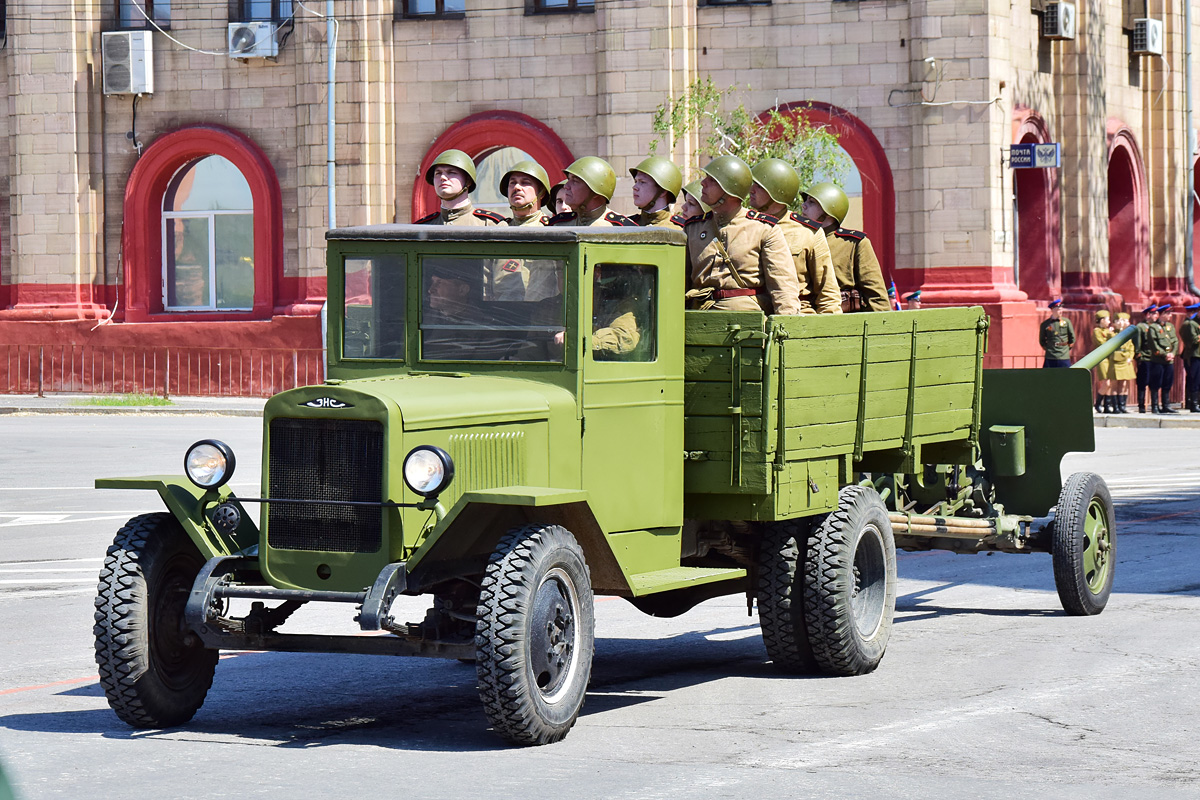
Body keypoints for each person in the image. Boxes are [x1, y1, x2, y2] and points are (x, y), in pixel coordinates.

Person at [683, 155, 801, 315]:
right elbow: (679, 281)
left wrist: (785, 329)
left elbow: (783, 286)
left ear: (729, 189)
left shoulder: (763, 229)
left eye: (711, 180)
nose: (703, 183)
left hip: (747, 322)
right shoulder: (693, 228)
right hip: (698, 317)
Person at [747, 158, 841, 315]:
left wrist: (826, 335)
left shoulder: (807, 232)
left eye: (759, 186)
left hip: (797, 320)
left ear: (776, 191)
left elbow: (828, 294)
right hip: (753, 318)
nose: (751, 190)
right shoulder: (744, 226)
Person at [800, 182, 890, 313]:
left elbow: (877, 299)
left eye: (812, 202)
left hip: (845, 324)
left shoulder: (853, 244)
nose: (804, 206)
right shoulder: (799, 240)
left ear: (829, 210)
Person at [416, 149, 505, 227]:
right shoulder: (421, 228)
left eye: (451, 172)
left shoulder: (489, 225)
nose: (442, 177)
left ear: (468, 181)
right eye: (438, 173)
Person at [549, 157, 638, 227]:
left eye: (575, 181)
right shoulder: (557, 224)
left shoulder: (622, 229)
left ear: (595, 191)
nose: (566, 186)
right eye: (568, 179)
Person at [630, 156, 683, 227]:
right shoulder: (627, 225)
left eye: (642, 182)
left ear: (663, 191)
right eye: (636, 181)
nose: (635, 187)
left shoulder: (681, 229)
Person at [500, 159, 552, 227]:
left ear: (542, 193)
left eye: (525, 182)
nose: (516, 187)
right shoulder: (501, 227)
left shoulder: (551, 227)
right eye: (513, 182)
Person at [1134, 303, 1166, 412]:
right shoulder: (1141, 327)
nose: (1156, 316)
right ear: (1148, 315)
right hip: (1145, 358)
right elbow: (1138, 343)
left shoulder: (1158, 326)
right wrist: (1139, 355)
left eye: (1157, 313)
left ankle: (1155, 406)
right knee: (1143, 382)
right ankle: (1141, 406)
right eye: (1154, 314)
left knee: (1155, 382)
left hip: (1155, 359)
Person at [1109, 311, 1135, 414]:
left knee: (1124, 384)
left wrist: (1130, 357)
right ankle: (1115, 407)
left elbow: (1131, 347)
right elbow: (1113, 341)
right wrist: (1116, 330)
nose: (1120, 323)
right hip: (1115, 360)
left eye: (1122, 321)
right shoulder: (1112, 333)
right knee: (1114, 384)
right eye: (1118, 321)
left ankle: (1122, 406)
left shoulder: (1126, 334)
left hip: (1125, 360)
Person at [1038, 298, 1075, 367]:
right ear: (1052, 310)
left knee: (1066, 375)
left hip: (1064, 355)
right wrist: (1049, 348)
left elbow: (1072, 338)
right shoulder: (1045, 324)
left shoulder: (1067, 322)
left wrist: (1066, 348)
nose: (1061, 311)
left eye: (1061, 309)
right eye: (1058, 309)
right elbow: (1042, 340)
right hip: (1050, 356)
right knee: (1048, 376)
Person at [1092, 310, 1116, 413]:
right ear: (1101, 320)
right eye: (1107, 319)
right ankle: (1098, 403)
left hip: (1110, 358)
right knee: (1106, 382)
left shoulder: (1109, 331)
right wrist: (1111, 334)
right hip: (1102, 359)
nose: (1109, 321)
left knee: (1110, 382)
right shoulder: (1097, 331)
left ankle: (1107, 405)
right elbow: (1103, 344)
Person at [1156, 303, 1179, 413]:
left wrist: (1173, 353)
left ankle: (1166, 405)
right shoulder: (1154, 327)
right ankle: (1155, 406)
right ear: (1162, 314)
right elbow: (1154, 344)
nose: (1170, 315)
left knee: (1167, 383)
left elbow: (1175, 341)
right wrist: (1165, 354)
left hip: (1170, 360)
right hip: (1159, 360)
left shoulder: (1170, 327)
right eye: (1168, 313)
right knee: (1156, 383)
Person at [1180, 302, 1200, 412]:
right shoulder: (1191, 324)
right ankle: (1193, 404)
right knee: (1194, 379)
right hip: (1195, 355)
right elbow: (1192, 340)